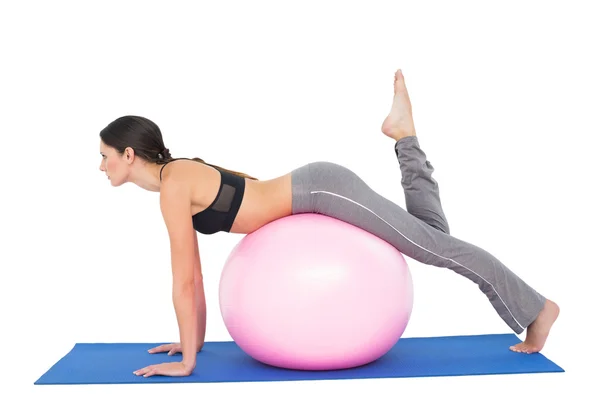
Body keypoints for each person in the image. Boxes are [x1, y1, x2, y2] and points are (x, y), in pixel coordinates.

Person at [98, 69, 559, 378]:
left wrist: (189, 360)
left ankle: (538, 310)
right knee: (432, 233)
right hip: (313, 190)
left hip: (321, 189)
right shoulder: (177, 176)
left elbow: (186, 279)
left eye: (104, 156)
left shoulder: (175, 184)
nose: (101, 166)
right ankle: (405, 135)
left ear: (129, 154)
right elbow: (193, 279)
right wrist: (188, 343)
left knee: (435, 248)